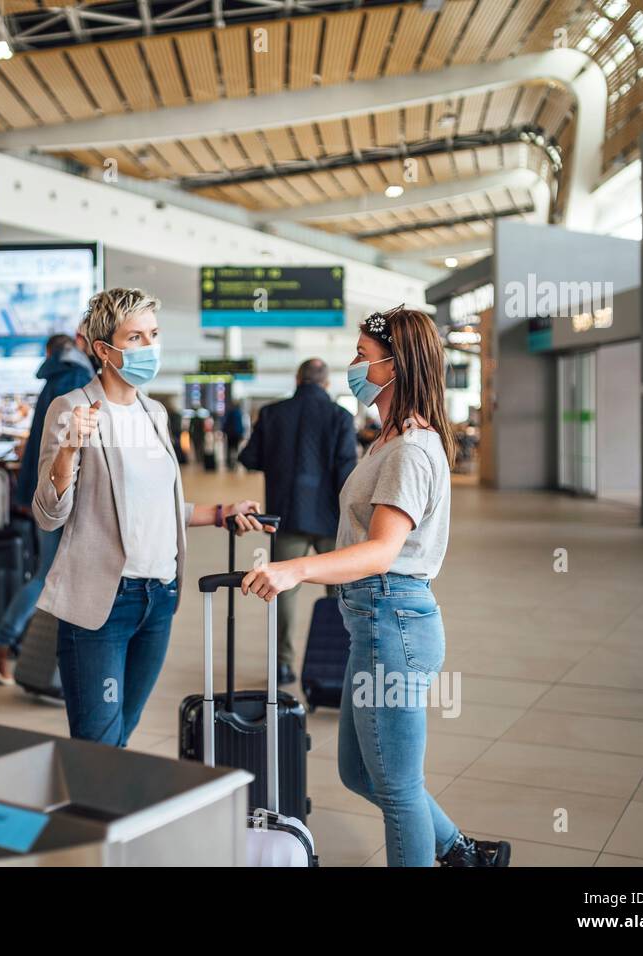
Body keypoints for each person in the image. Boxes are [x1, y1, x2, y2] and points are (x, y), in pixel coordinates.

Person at [240, 306, 510, 868]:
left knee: (397, 787)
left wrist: (296, 570)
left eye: (363, 357)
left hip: (396, 624)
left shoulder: (411, 449)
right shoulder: (388, 439)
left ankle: (456, 856)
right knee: (360, 771)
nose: (353, 366)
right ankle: (463, 854)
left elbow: (384, 550)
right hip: (374, 624)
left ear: (396, 365)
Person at [31, 288, 270, 747]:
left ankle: (105, 813)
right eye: (135, 337)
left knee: (123, 736)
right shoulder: (73, 408)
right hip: (103, 603)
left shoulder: (155, 412)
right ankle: (89, 814)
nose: (150, 347)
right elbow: (49, 513)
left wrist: (222, 512)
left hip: (158, 598)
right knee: (99, 744)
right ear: (104, 350)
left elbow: (154, 505)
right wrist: (68, 450)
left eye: (154, 335)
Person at [0, 333, 93, 685]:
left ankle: (27, 654)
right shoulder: (75, 377)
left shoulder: (58, 376)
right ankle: (0, 643)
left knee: (49, 573)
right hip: (59, 492)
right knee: (48, 575)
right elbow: (65, 445)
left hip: (43, 489)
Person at [238, 358, 358, 685]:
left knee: (282, 590)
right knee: (340, 594)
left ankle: (283, 665)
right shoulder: (340, 417)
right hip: (332, 520)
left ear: (297, 378)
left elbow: (248, 458)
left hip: (288, 516)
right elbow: (346, 473)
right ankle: (336, 667)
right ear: (326, 383)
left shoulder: (273, 414)